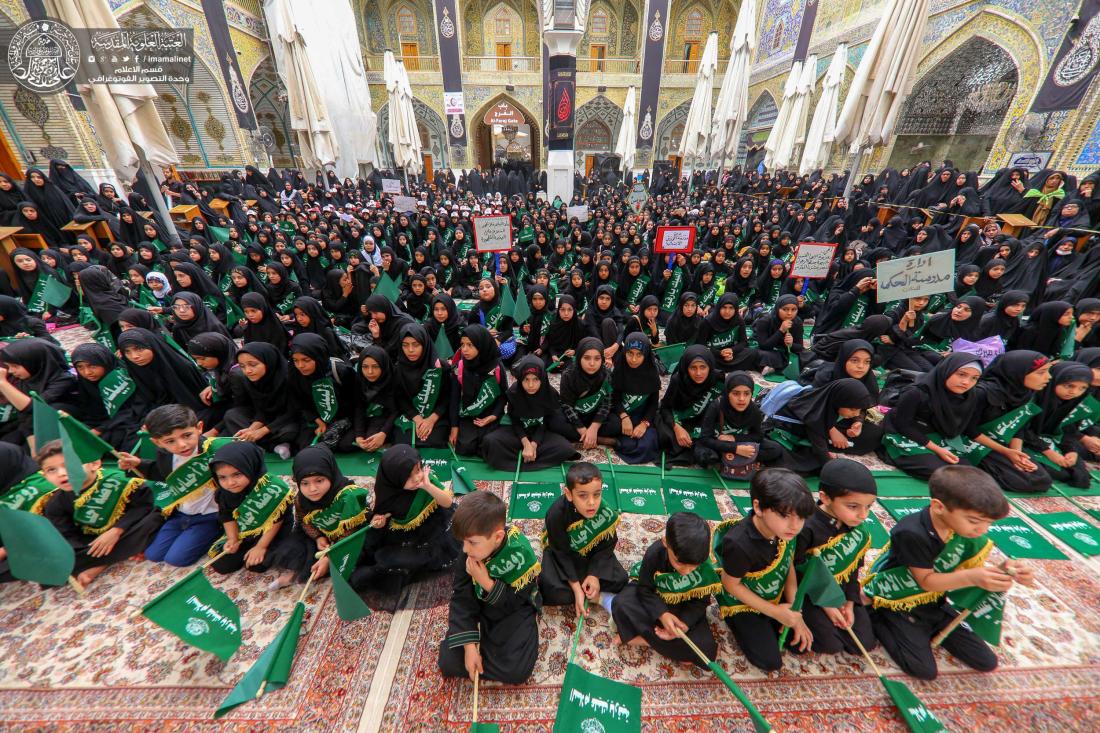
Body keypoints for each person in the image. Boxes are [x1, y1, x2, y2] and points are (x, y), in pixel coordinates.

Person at [865, 465, 1033, 680]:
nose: (982, 530)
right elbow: (926, 581)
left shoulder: (964, 530)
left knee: (986, 662)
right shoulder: (911, 533)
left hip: (936, 602)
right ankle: (879, 618)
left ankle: (926, 628)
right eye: (974, 521)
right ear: (938, 507)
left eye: (988, 523)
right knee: (923, 670)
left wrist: (1007, 570)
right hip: (899, 603)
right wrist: (974, 577)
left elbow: (967, 566)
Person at [716, 468, 816, 671]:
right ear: (759, 507)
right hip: (741, 601)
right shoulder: (739, 543)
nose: (795, 526)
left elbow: (786, 563)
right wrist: (776, 613)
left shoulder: (787, 531)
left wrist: (795, 610)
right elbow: (730, 585)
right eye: (785, 515)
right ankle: (739, 623)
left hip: (773, 591)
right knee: (770, 661)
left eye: (801, 518)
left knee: (801, 645)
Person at [438, 491, 541, 684]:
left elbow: (518, 601)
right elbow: (461, 597)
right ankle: (477, 652)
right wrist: (469, 647)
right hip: (481, 609)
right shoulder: (468, 554)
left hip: (511, 610)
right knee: (447, 661)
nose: (465, 549)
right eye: (463, 542)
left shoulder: (519, 553)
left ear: (498, 537)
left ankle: (489, 655)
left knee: (517, 672)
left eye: (472, 542)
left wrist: (486, 582)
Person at [38, 439, 161, 587]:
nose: (62, 474)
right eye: (52, 470)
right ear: (45, 476)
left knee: (156, 519)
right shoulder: (55, 504)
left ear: (94, 464)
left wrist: (115, 531)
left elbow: (144, 507)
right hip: (97, 540)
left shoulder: (119, 480)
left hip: (129, 528)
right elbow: (68, 535)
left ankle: (102, 562)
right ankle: (117, 554)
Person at [124, 405, 231, 566]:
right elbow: (164, 475)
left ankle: (214, 533)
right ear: (157, 442)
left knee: (176, 559)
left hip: (210, 516)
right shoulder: (164, 454)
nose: (181, 445)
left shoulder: (214, 451)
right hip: (181, 513)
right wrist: (138, 464)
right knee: (153, 554)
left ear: (199, 428)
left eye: (187, 435)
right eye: (170, 441)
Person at [610, 512, 719, 667]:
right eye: (680, 563)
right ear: (666, 542)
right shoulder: (654, 554)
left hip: (683, 608)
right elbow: (645, 590)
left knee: (707, 653)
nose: (687, 571)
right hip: (656, 601)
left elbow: (700, 602)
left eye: (694, 566)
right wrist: (662, 614)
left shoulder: (705, 565)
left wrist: (684, 624)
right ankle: (663, 645)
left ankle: (646, 639)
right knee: (621, 603)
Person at [794, 459, 878, 655]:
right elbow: (794, 572)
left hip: (839, 586)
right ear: (825, 498)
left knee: (864, 644)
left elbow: (853, 567)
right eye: (853, 506)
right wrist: (827, 606)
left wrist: (849, 601)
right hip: (808, 591)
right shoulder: (805, 527)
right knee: (829, 645)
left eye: (869, 507)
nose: (863, 515)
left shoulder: (856, 526)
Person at [351, 444, 458, 593]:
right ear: (395, 477)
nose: (416, 478)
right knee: (389, 560)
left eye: (419, 470)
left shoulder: (426, 481)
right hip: (406, 535)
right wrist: (379, 522)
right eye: (408, 476)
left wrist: (428, 486)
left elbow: (447, 502)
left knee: (457, 537)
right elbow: (381, 515)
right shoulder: (388, 491)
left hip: (436, 524)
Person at [267, 445, 371, 587]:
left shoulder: (348, 496)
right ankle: (293, 573)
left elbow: (350, 531)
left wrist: (329, 556)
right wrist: (318, 537)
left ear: (331, 474)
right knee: (296, 545)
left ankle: (323, 567)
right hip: (324, 534)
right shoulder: (301, 499)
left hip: (351, 536)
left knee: (357, 554)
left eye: (319, 480)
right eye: (304, 483)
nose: (312, 489)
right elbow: (304, 521)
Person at [538, 462, 628, 615]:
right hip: (564, 555)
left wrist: (594, 575)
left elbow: (607, 545)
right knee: (550, 590)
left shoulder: (603, 510)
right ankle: (583, 591)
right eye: (583, 495)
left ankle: (599, 596)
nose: (592, 502)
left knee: (621, 579)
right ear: (569, 494)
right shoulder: (556, 514)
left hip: (592, 554)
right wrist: (576, 588)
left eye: (597, 494)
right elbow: (560, 552)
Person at [207, 441, 295, 575]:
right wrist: (232, 539)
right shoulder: (224, 492)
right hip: (247, 528)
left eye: (237, 474)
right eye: (222, 477)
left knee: (257, 565)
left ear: (251, 467)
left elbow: (277, 520)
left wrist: (261, 546)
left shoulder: (273, 488)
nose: (230, 483)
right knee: (222, 564)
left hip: (274, 528)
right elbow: (226, 515)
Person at [481, 356, 579, 471]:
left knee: (565, 448)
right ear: (520, 378)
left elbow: (546, 422)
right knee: (490, 441)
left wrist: (533, 444)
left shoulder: (550, 394)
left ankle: (522, 456)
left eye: (536, 379)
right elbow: (515, 420)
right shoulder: (514, 392)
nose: (531, 385)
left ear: (542, 378)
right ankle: (530, 455)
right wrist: (526, 443)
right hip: (518, 432)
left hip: (541, 433)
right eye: (526, 379)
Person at [449, 325, 507, 457]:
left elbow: (503, 395)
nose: (464, 350)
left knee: (488, 447)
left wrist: (494, 416)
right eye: (462, 345)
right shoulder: (460, 367)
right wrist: (454, 427)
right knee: (464, 448)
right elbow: (454, 398)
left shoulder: (496, 367)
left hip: (490, 414)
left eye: (470, 345)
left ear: (481, 344)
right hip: (469, 415)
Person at [657, 345, 720, 465]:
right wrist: (676, 428)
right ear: (686, 367)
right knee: (663, 436)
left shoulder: (718, 380)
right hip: (680, 418)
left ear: (710, 366)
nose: (698, 373)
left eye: (703, 367)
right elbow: (665, 407)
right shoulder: (678, 380)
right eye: (693, 368)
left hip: (704, 421)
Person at [558, 337, 621, 449]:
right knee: (555, 422)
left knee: (616, 424)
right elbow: (566, 404)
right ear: (579, 357)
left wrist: (595, 426)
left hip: (594, 414)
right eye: (586, 358)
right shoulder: (568, 375)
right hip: (576, 415)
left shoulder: (606, 374)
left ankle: (586, 436)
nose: (592, 363)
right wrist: (581, 428)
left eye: (597, 359)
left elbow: (607, 403)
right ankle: (595, 438)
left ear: (602, 359)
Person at [610, 332, 662, 464]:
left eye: (639, 355)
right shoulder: (619, 367)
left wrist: (644, 424)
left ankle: (613, 441)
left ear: (646, 354)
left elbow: (653, 404)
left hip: (642, 414)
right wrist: (624, 416)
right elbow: (614, 397)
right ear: (624, 352)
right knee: (616, 429)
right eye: (630, 353)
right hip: (621, 412)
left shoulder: (651, 372)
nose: (633, 359)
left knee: (650, 442)